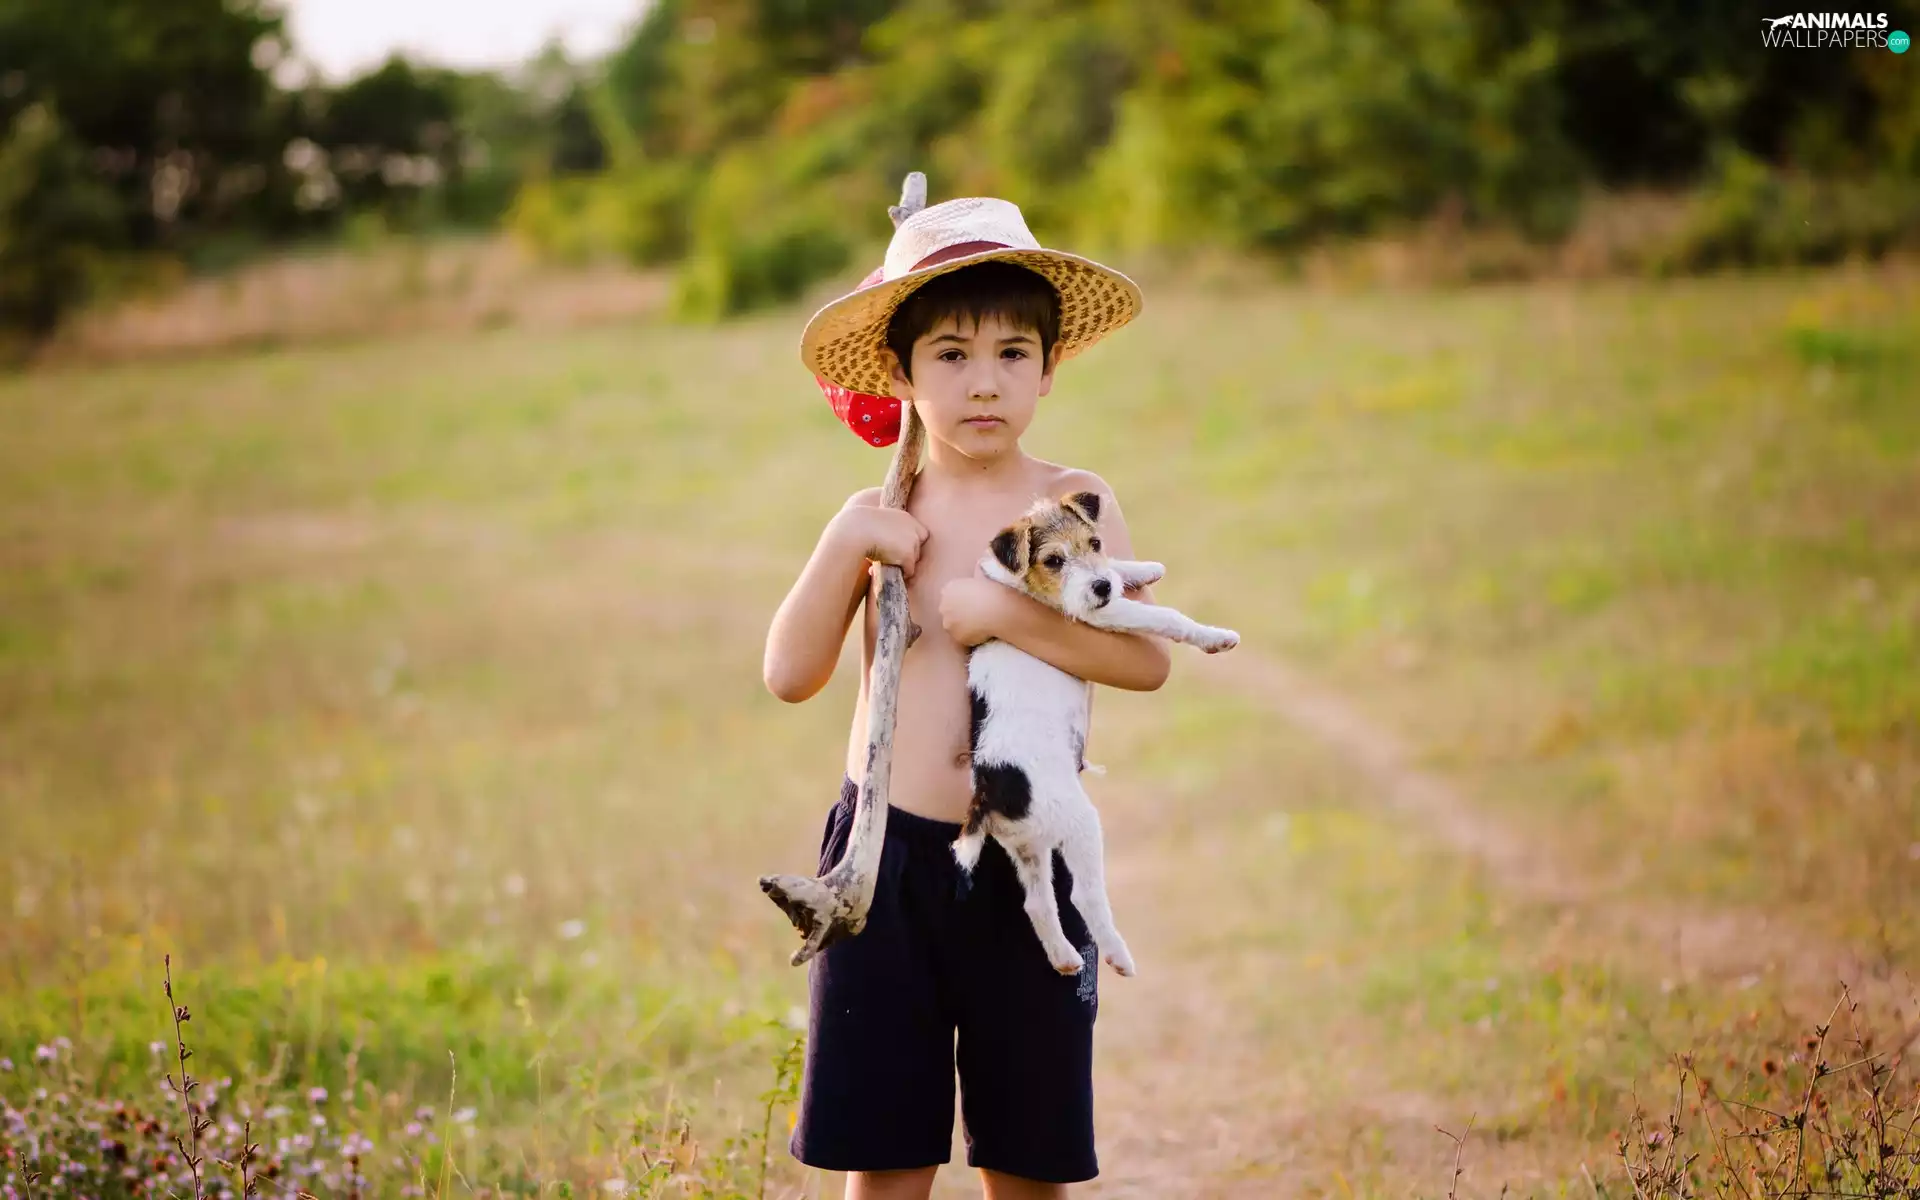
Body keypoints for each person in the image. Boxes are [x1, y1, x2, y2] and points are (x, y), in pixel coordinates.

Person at [762, 195, 1170, 1200]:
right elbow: (789, 674)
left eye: (1012, 354)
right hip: (885, 861)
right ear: (900, 374)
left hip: (1026, 858)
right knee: (888, 1161)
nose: (983, 381)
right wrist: (845, 546)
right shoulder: (882, 513)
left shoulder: (1074, 501)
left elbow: (1144, 663)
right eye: (948, 354)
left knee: (1027, 1162)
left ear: (1048, 366)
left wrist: (1005, 612)